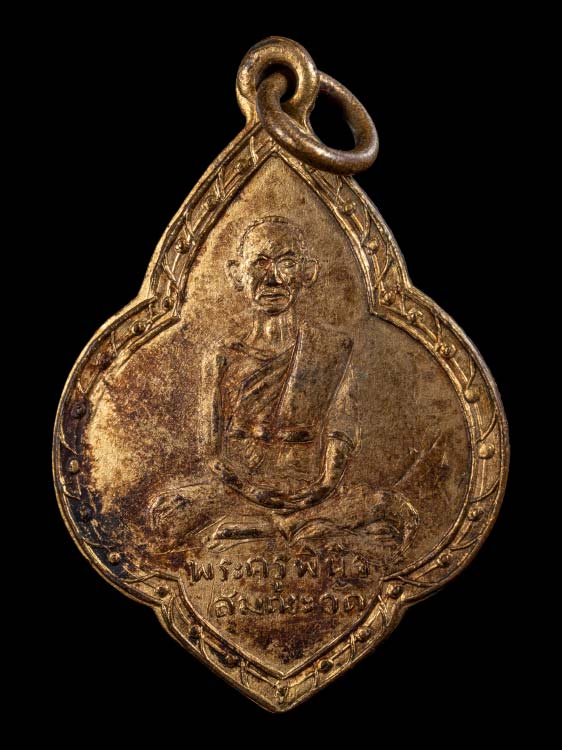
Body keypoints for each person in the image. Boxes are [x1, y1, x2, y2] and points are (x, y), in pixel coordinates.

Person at [148, 216, 416, 552]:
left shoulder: (330, 350)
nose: (273, 278)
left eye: (286, 263)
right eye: (259, 263)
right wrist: (253, 491)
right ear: (236, 273)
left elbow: (341, 434)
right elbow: (212, 454)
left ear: (308, 272)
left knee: (391, 508)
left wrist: (320, 489)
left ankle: (274, 527)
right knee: (168, 515)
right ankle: (293, 529)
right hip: (238, 492)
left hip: (313, 492)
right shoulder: (223, 356)